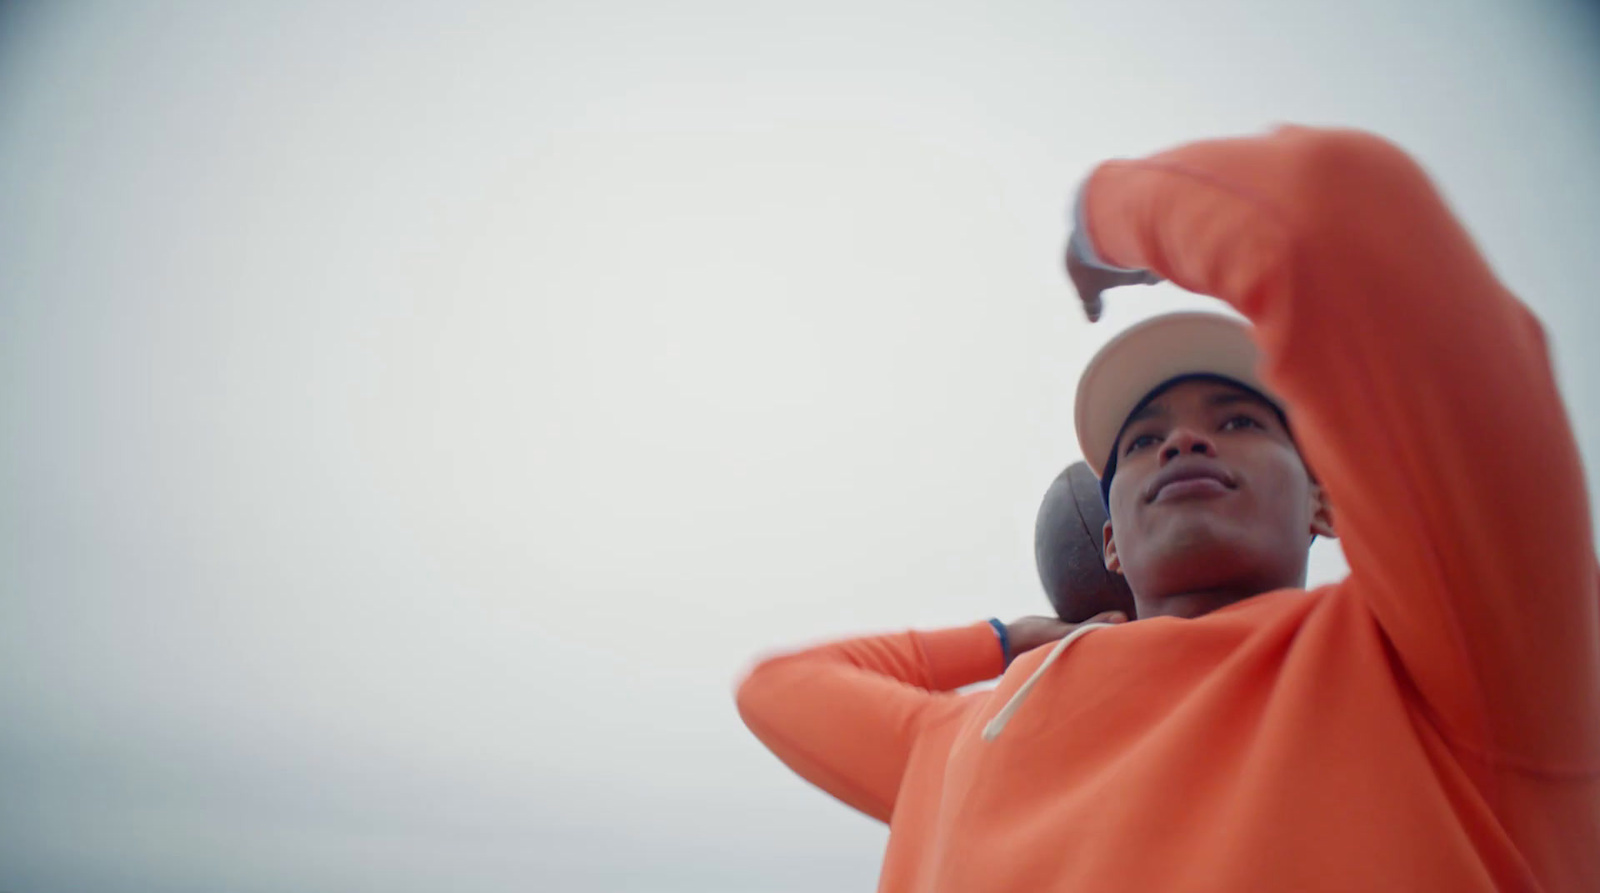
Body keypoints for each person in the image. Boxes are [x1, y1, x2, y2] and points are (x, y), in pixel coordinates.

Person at [734, 125, 1599, 891]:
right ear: (1109, 541)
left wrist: (1102, 216)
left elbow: (1342, 212)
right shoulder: (963, 729)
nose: (1183, 443)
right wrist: (1013, 641)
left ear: (1326, 506)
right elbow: (779, 687)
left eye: (1238, 419)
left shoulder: (1458, 660)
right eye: (1143, 441)